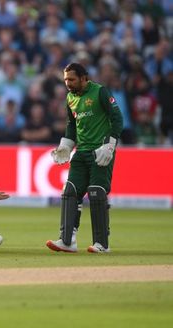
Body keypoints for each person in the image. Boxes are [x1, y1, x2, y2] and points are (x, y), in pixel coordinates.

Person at [47, 62, 123, 254]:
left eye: (71, 79)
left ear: (83, 78)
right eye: (65, 80)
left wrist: (110, 144)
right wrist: (66, 145)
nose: (68, 83)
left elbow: (117, 118)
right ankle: (67, 241)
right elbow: (71, 125)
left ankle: (102, 244)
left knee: (96, 192)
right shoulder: (70, 98)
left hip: (101, 152)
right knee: (70, 191)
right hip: (81, 153)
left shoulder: (100, 92)